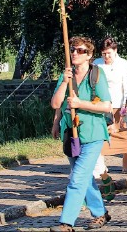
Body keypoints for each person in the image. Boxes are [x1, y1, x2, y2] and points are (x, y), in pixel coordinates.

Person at [49, 36, 112, 232]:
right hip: (72, 134)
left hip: (92, 134)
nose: (75, 53)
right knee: (84, 178)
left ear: (90, 55)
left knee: (77, 179)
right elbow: (55, 104)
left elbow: (106, 106)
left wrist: (80, 104)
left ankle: (66, 223)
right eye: (73, 50)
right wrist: (56, 121)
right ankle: (100, 212)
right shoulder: (66, 75)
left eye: (81, 51)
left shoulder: (97, 74)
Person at [93, 36, 127, 174]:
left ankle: (126, 164)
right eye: (103, 53)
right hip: (101, 104)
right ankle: (101, 165)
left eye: (109, 53)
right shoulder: (97, 64)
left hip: (118, 104)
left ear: (115, 51)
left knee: (122, 133)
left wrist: (125, 107)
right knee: (101, 134)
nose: (106, 56)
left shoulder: (123, 64)